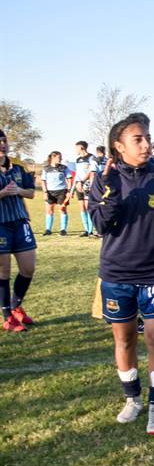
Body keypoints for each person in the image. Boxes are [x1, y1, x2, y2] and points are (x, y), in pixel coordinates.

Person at [89, 113, 154, 435]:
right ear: (119, 146)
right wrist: (111, 193)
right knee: (125, 338)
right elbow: (101, 224)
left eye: (147, 137)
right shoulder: (104, 179)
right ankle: (132, 399)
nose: (146, 145)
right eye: (138, 139)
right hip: (116, 272)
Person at [0, 129, 38, 332]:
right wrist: (2, 193)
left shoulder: (18, 166)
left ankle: (16, 305)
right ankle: (7, 316)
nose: (2, 144)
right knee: (3, 271)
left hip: (20, 221)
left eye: (4, 141)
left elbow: (31, 192)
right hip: (0, 224)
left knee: (28, 268)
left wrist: (19, 191)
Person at [41, 151, 71, 236]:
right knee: (49, 210)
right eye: (59, 157)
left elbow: (69, 179)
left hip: (62, 191)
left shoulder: (64, 168)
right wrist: (45, 192)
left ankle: (63, 230)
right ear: (53, 158)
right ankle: (48, 230)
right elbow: (43, 181)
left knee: (62, 210)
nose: (61, 159)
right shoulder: (46, 169)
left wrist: (69, 191)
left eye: (61, 157)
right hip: (50, 192)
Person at [74, 140, 99, 237]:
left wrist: (83, 181)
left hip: (87, 185)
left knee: (88, 207)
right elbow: (77, 173)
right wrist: (76, 183)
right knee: (82, 207)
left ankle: (90, 230)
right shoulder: (77, 159)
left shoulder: (91, 157)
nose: (75, 150)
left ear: (81, 147)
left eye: (76, 147)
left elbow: (91, 171)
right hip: (79, 185)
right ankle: (86, 229)